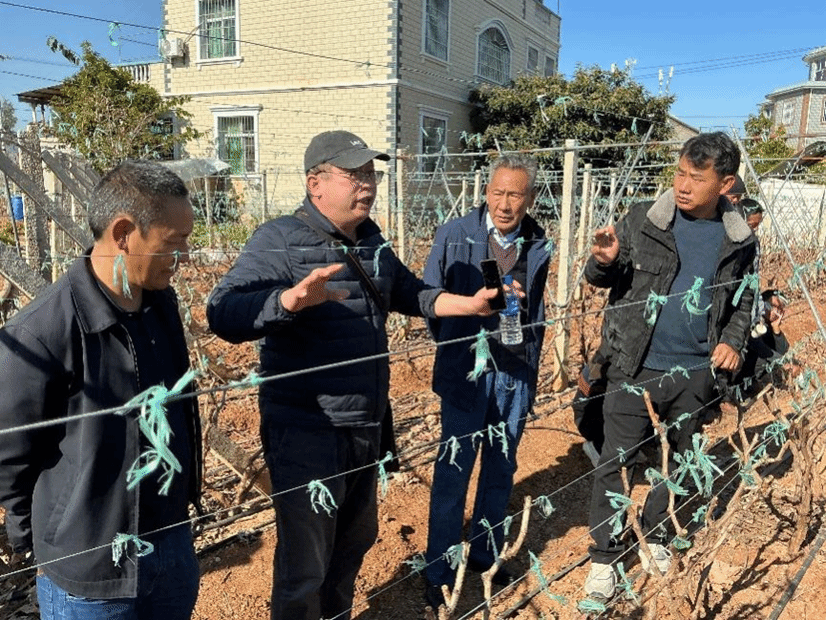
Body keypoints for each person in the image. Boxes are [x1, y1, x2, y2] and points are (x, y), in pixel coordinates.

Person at [206, 130, 502, 620]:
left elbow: (411, 293)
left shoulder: (371, 240)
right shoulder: (278, 239)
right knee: (306, 562)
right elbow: (222, 311)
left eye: (371, 173)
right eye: (354, 174)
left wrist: (470, 305)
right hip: (308, 429)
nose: (368, 184)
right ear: (315, 183)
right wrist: (287, 301)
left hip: (366, 423)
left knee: (354, 542)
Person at [0, 160, 202, 620]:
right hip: (89, 573)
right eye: (174, 243)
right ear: (124, 233)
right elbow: (9, 454)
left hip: (171, 541)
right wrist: (50, 547)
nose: (185, 256)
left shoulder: (160, 306)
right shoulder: (40, 332)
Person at [582, 132, 757, 599]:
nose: (682, 185)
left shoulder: (739, 239)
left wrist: (733, 341)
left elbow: (744, 299)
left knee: (676, 462)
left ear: (725, 184)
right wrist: (604, 262)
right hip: (633, 365)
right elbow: (603, 276)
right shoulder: (644, 218)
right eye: (679, 173)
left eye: (696, 178)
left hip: (695, 372)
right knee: (616, 463)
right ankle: (603, 556)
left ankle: (656, 532)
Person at [421, 154, 551, 607]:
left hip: (513, 373)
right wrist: (458, 343)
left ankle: (484, 554)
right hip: (465, 372)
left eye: (515, 194)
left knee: (501, 466)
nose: (504, 204)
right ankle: (438, 569)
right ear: (486, 192)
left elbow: (536, 313)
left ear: (530, 198)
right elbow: (429, 298)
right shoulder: (454, 234)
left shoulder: (538, 242)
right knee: (453, 471)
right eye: (497, 192)